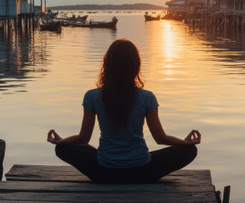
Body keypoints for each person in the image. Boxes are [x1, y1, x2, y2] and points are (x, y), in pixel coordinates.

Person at [47, 38, 200, 183]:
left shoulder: (92, 96)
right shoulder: (147, 97)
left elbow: (83, 138)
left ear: (107, 65)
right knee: (190, 151)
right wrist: (184, 143)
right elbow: (160, 138)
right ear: (136, 66)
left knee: (62, 149)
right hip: (142, 172)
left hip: (103, 172)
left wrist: (61, 142)